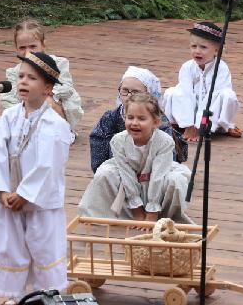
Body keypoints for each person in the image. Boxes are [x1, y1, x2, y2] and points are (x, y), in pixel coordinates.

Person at [0, 51, 73, 305]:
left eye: (31, 78)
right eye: (20, 76)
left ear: (47, 88)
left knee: (44, 245)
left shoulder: (54, 123)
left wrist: (25, 193)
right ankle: (15, 295)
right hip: (10, 196)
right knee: (10, 245)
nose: (23, 82)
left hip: (41, 201)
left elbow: (49, 163)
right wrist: (2, 190)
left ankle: (49, 294)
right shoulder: (10, 116)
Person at [79, 93, 192, 225]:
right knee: (104, 173)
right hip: (128, 179)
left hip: (157, 176)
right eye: (130, 118)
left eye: (141, 119)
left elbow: (157, 176)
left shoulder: (165, 141)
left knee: (177, 180)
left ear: (155, 122)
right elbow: (126, 174)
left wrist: (152, 212)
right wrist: (137, 209)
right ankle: (125, 214)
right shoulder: (118, 141)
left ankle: (162, 215)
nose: (134, 123)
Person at [89, 66, 187, 172]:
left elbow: (167, 152)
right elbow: (98, 140)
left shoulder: (159, 121)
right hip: (118, 169)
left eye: (136, 92)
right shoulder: (111, 117)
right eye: (125, 90)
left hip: (152, 171)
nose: (129, 96)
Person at [161, 21, 241, 142]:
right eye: (193, 46)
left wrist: (200, 127)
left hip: (211, 111)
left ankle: (221, 126)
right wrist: (189, 125)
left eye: (203, 47)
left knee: (228, 96)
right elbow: (186, 95)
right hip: (189, 110)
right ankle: (180, 124)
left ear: (216, 51)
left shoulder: (221, 68)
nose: (197, 51)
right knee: (171, 92)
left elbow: (212, 97)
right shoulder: (187, 67)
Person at [0, 19, 83, 132]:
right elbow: (9, 99)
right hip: (27, 116)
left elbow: (67, 88)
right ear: (16, 48)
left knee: (45, 101)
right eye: (22, 48)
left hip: (57, 108)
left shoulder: (59, 63)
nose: (28, 52)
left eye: (33, 46)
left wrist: (40, 93)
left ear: (43, 45)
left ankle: (61, 131)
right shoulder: (14, 72)